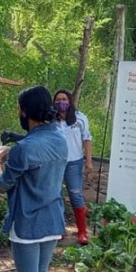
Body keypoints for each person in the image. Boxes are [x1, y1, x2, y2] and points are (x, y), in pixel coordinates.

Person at [0, 86, 67, 272]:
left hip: (27, 222)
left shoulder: (24, 148)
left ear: (25, 112)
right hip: (53, 219)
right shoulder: (59, 139)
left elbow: (4, 183)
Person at [53, 89, 93, 244]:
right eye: (57, 100)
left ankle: (82, 232)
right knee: (56, 196)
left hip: (74, 163)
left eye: (63, 99)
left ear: (69, 101)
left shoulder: (80, 118)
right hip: (55, 163)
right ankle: (59, 230)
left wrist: (88, 161)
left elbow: (87, 139)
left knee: (76, 196)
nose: (60, 102)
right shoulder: (50, 119)